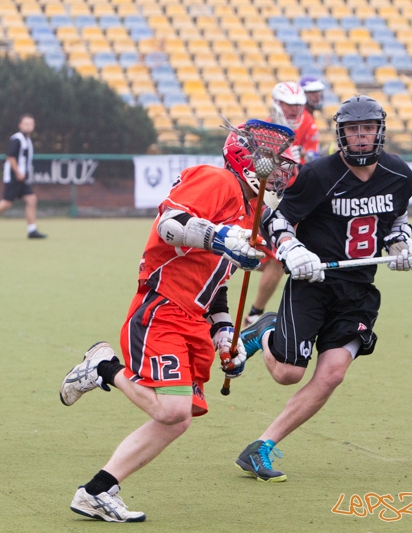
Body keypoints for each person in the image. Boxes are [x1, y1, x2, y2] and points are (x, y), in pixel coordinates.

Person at [58, 123, 296, 522]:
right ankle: (103, 366)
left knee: (178, 418)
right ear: (244, 159)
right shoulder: (217, 180)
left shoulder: (249, 210)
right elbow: (170, 224)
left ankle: (97, 491)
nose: (279, 166)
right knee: (171, 412)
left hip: (193, 319)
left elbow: (216, 285)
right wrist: (221, 237)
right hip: (162, 307)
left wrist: (223, 333)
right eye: (269, 158)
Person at [233, 95, 412, 482]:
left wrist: (402, 244)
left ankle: (262, 447)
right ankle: (265, 330)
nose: (361, 137)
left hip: (359, 291)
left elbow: (396, 220)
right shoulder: (319, 174)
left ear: (379, 131)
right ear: (342, 134)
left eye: (367, 129)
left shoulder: (399, 174)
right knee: (287, 373)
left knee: (332, 373)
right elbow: (278, 221)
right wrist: (294, 250)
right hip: (313, 283)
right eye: (353, 130)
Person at [243, 82, 321, 326]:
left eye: (298, 105)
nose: (295, 110)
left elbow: (313, 155)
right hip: (264, 200)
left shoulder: (307, 121)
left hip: (290, 199)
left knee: (278, 259)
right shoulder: (263, 128)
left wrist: (303, 158)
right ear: (278, 103)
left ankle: (255, 313)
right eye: (289, 105)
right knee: (253, 254)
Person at [0, 113, 46, 239]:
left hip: (22, 178)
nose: (29, 126)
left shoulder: (27, 140)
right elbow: (10, 157)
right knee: (6, 203)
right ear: (20, 125)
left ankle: (32, 230)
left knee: (31, 199)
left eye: (31, 124)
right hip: (14, 177)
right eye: (26, 124)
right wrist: (18, 172)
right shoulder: (17, 139)